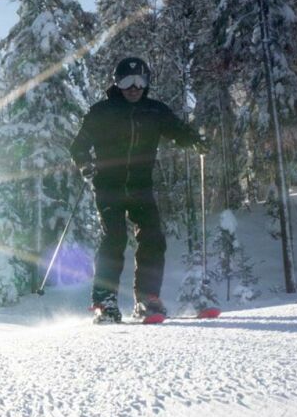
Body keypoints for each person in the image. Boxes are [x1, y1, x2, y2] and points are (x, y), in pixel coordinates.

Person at [69, 56, 204, 323]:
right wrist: (85, 164)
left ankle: (147, 299)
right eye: (127, 80)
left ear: (147, 83)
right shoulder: (101, 112)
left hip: (141, 185)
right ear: (116, 83)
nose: (134, 87)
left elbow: (177, 130)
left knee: (153, 237)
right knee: (114, 238)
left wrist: (195, 142)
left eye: (140, 80)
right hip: (109, 185)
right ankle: (104, 302)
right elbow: (78, 146)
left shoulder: (154, 111)